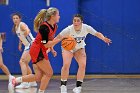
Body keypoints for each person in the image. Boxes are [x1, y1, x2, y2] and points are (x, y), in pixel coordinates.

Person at [9, 7, 62, 93]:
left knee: (38, 77)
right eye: (58, 15)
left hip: (39, 49)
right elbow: (46, 43)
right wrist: (60, 39)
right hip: (37, 50)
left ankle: (15, 80)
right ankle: (41, 91)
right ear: (52, 16)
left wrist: (52, 49)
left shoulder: (55, 26)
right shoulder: (44, 27)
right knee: (49, 73)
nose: (59, 17)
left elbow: (50, 39)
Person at [59, 14, 112, 93]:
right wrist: (50, 47)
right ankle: (63, 85)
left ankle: (78, 87)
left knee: (83, 65)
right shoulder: (68, 29)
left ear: (81, 22)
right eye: (74, 20)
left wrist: (103, 38)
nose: (76, 22)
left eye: (78, 21)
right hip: (68, 48)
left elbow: (97, 33)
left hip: (79, 48)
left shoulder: (86, 27)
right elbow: (57, 38)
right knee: (66, 64)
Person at [11, 13, 37, 88]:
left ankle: (25, 82)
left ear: (20, 19)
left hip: (31, 44)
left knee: (22, 62)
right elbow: (20, 37)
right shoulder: (16, 27)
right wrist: (20, 44)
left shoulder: (22, 24)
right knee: (25, 63)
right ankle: (32, 81)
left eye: (16, 18)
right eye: (14, 18)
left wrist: (26, 32)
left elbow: (27, 30)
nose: (15, 20)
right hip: (27, 45)